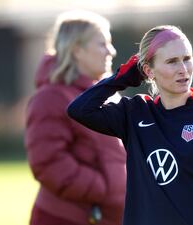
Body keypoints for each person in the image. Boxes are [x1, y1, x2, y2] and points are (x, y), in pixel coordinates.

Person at [67, 25, 193, 225]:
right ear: (148, 71)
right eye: (172, 62)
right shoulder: (135, 113)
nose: (183, 69)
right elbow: (79, 109)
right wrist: (123, 77)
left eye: (187, 58)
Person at [25, 10, 126, 225]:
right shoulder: (51, 97)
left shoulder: (108, 95)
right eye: (102, 44)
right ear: (77, 50)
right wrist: (103, 187)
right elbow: (47, 162)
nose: (111, 51)